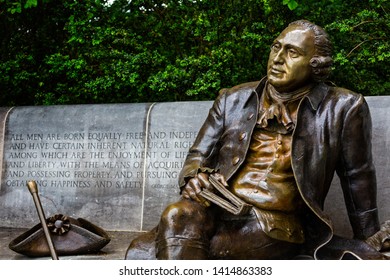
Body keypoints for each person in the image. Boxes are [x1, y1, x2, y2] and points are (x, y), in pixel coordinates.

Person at [126, 20, 388, 260]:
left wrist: (367, 238)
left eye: (292, 53)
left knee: (200, 248)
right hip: (216, 208)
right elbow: (197, 155)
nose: (277, 59)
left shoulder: (343, 107)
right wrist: (194, 177)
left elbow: (357, 177)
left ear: (315, 64)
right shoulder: (233, 99)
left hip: (278, 225)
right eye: (276, 47)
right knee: (177, 215)